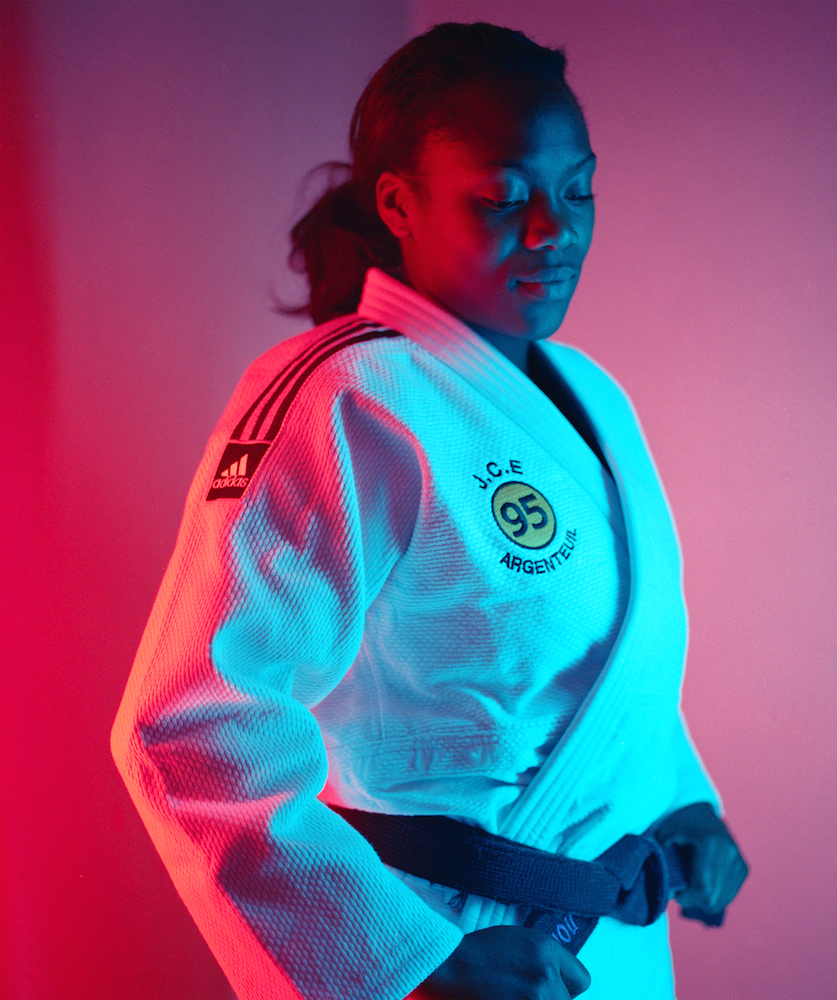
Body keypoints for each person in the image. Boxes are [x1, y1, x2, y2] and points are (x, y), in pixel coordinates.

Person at [111, 22, 747, 1000]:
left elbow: (607, 671)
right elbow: (193, 723)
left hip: (610, 945)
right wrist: (407, 961)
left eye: (578, 190)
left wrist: (678, 803)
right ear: (398, 204)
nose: (554, 229)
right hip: (454, 942)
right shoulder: (344, 398)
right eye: (504, 197)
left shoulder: (593, 393)